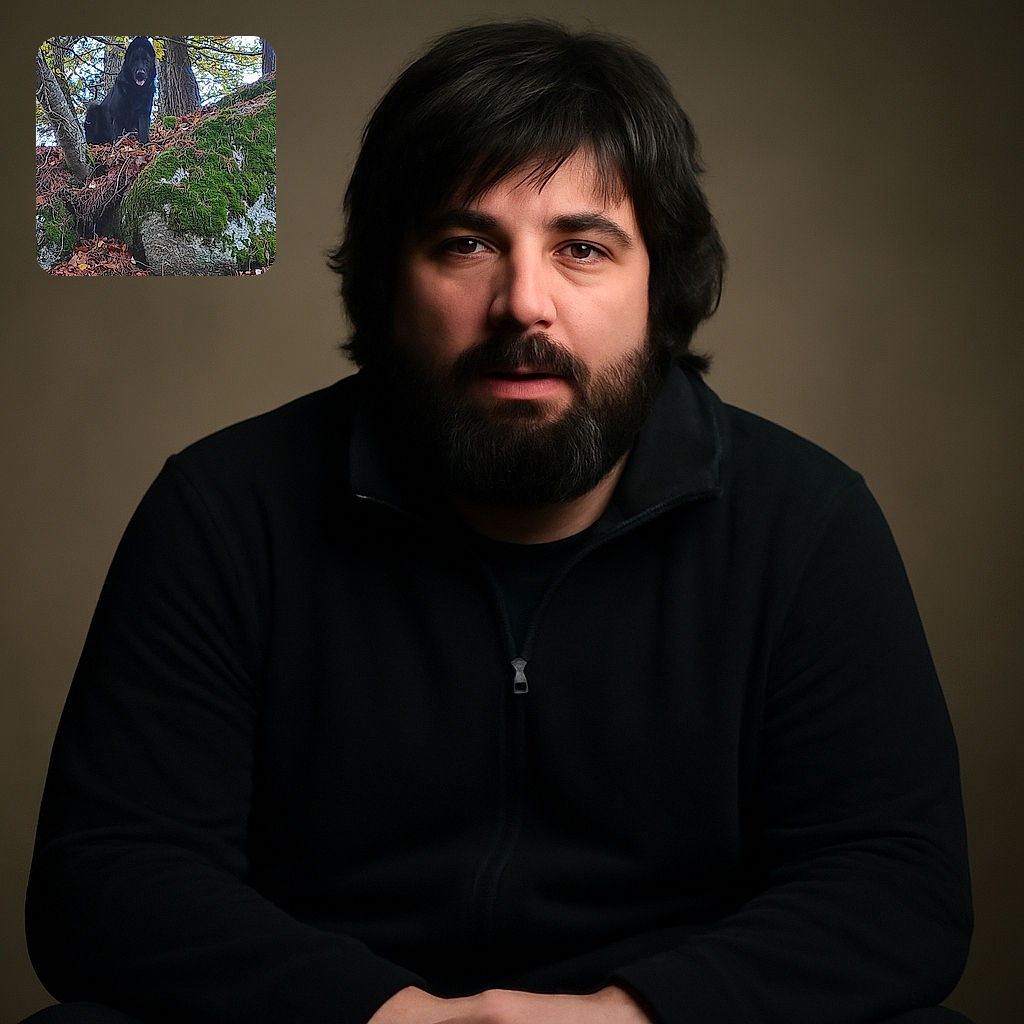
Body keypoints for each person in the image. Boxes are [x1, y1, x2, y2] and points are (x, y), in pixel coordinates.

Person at [24, 20, 972, 1024]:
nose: (524, 303)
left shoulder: (807, 524)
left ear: (660, 288)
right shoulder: (224, 511)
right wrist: (393, 1017)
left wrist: (627, 1016)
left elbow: (897, 887)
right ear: (390, 283)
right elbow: (109, 880)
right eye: (466, 243)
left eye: (582, 248)